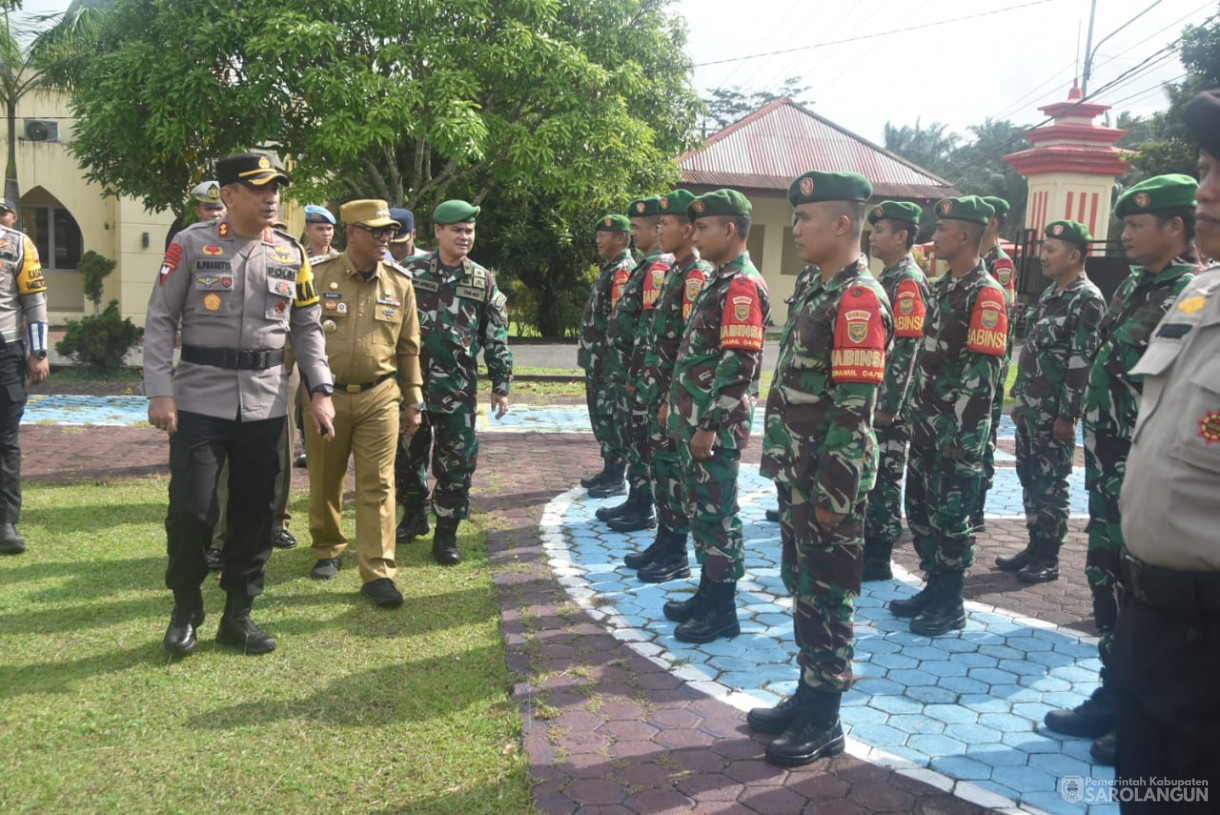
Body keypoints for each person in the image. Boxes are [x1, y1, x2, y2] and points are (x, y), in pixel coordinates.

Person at [146, 151, 335, 656]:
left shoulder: (291, 254)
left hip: (268, 401)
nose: (272, 197)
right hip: (199, 399)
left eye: (275, 188)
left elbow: (307, 327)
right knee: (192, 510)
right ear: (228, 196)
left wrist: (320, 389)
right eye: (259, 188)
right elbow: (161, 320)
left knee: (257, 512)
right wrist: (159, 391)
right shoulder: (189, 245)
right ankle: (186, 608)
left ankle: (239, 613)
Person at [1045, 173, 1200, 765]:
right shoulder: (1136, 285)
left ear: (1175, 227)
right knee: (1107, 574)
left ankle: (1144, 710)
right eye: (1125, 224)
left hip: (1150, 468)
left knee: (1147, 590)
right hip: (1110, 467)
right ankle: (1115, 693)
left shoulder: (1192, 294)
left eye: (1137, 225)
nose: (1126, 235)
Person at [752, 171, 892, 766]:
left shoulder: (858, 299)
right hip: (800, 472)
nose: (797, 228)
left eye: (806, 219)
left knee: (829, 594)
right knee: (805, 589)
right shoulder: (818, 287)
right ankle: (808, 693)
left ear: (842, 223)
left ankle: (825, 717)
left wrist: (834, 494)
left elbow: (854, 412)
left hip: (828, 479)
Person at [1111, 86, 1220, 809]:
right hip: (1153, 626)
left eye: (1219, 172)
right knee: (1147, 795)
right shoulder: (1202, 295)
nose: (1205, 189)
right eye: (1208, 165)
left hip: (1209, 645)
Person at [891, 196, 1006, 635]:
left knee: (951, 517)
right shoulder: (941, 288)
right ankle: (933, 584)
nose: (933, 237)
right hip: (925, 424)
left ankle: (950, 600)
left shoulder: (986, 294)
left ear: (965, 236)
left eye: (942, 230)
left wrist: (958, 434)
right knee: (919, 509)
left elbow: (982, 376)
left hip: (956, 433)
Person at [661, 189, 770, 643]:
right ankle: (708, 592)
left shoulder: (742, 285)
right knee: (701, 511)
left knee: (718, 515)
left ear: (729, 230)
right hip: (696, 419)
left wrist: (709, 424)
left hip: (715, 426)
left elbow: (739, 363)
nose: (695, 235)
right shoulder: (720, 278)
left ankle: (723, 609)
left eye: (703, 228)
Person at [304, 200, 422, 607]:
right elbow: (296, 337)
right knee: (324, 476)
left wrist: (414, 400)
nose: (384, 237)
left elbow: (408, 349)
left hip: (381, 396)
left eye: (387, 230)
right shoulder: (317, 276)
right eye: (375, 231)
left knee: (379, 483)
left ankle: (378, 572)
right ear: (350, 232)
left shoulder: (400, 283)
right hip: (326, 395)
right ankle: (327, 547)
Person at [397, 200, 512, 565]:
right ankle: (414, 515)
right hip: (410, 386)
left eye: (470, 231)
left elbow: (496, 334)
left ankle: (447, 533)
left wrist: (501, 382)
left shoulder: (482, 279)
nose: (465, 237)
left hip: (457, 390)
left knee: (456, 463)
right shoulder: (408, 272)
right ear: (438, 232)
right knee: (406, 456)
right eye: (458, 230)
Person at [1000, 220, 1104, 583]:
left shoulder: (1086, 298)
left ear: (1074, 255)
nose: (1042, 256)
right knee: (1029, 478)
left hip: (1053, 415)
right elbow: (1033, 351)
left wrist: (1067, 415)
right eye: (1043, 248)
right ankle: (1033, 545)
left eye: (1050, 250)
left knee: (1051, 484)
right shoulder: (1050, 294)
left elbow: (1082, 360)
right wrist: (1019, 403)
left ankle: (1049, 556)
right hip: (1031, 409)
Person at [624, 190, 712, 580]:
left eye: (666, 224)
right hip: (659, 393)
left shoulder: (696, 276)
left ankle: (676, 552)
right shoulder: (675, 270)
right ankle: (665, 540)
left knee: (675, 475)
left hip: (676, 399)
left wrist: (672, 398)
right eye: (656, 224)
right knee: (661, 470)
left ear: (688, 229)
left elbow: (691, 347)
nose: (659, 231)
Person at [593, 197, 671, 528]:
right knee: (635, 438)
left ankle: (643, 506)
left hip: (641, 374)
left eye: (637, 228)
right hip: (630, 369)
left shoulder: (656, 270)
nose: (633, 234)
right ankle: (636, 501)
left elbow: (651, 329)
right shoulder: (645, 267)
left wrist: (635, 371)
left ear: (657, 228)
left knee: (642, 440)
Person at [861, 201, 929, 581]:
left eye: (880, 231)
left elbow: (906, 348)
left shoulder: (906, 282)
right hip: (879, 398)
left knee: (885, 477)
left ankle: (878, 555)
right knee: (873, 474)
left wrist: (888, 405)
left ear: (902, 236)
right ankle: (869, 548)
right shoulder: (887, 277)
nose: (873, 237)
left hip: (892, 404)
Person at [0, 210, 49, 556]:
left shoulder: (18, 244)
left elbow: (34, 300)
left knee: (5, 439)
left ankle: (5, 523)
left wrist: (39, 352)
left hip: (5, 350)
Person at [577, 214, 634, 495]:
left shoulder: (623, 270)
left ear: (622, 238)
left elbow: (618, 319)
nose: (598, 238)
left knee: (612, 417)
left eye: (605, 234)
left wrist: (614, 364)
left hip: (610, 363)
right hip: (598, 361)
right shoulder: (610, 268)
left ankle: (617, 475)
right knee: (600, 416)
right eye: (598, 233)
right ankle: (609, 467)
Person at [973, 195, 1016, 533]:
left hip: (990, 362)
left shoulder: (999, 264)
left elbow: (1000, 317)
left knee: (982, 435)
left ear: (993, 223)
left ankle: (976, 506)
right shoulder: (977, 259)